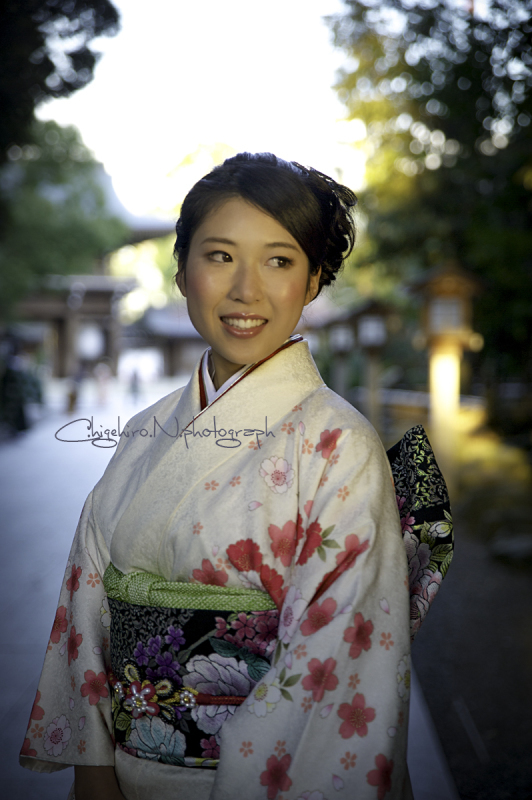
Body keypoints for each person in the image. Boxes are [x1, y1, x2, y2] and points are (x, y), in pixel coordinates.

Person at [20, 153, 452, 799]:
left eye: (279, 260)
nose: (246, 289)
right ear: (181, 269)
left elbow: (333, 671)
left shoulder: (341, 447)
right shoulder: (143, 434)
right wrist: (95, 769)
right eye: (220, 256)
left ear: (312, 282)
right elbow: (88, 615)